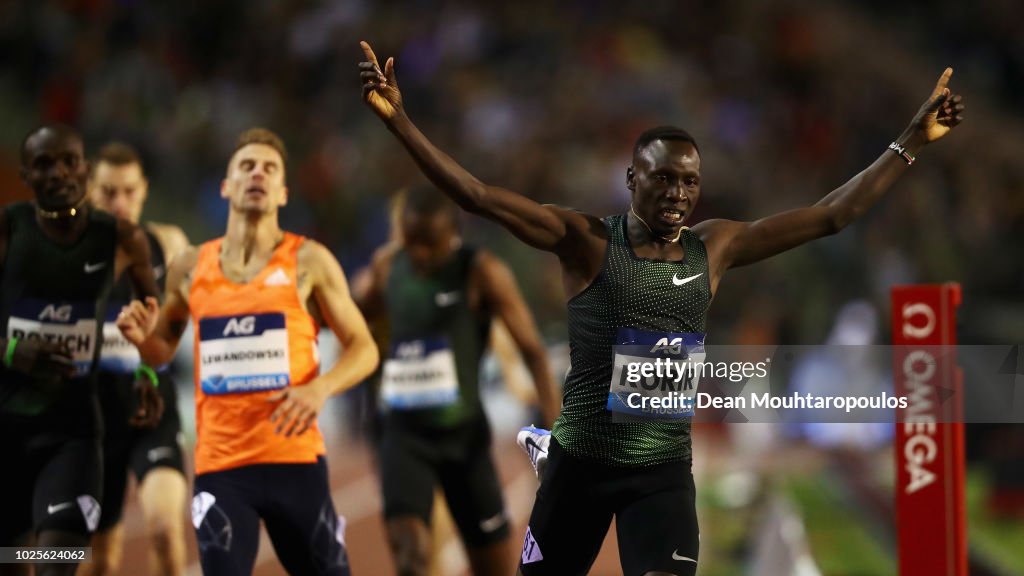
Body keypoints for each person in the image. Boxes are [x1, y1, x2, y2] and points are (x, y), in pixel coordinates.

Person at [358, 41, 964, 576]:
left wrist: (910, 141)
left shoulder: (716, 247)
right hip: (582, 467)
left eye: (689, 182)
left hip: (662, 470)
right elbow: (478, 196)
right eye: (663, 179)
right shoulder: (588, 241)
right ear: (631, 178)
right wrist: (400, 123)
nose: (677, 193)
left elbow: (832, 215)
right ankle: (549, 449)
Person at [117, 127, 379, 576]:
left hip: (295, 462)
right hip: (222, 466)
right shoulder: (189, 266)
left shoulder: (309, 261)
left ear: (282, 193)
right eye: (246, 166)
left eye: (269, 168)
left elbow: (365, 349)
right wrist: (142, 342)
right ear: (226, 186)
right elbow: (160, 350)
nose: (257, 173)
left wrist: (319, 389)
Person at [355, 185, 560, 576]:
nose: (418, 254)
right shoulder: (386, 267)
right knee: (410, 555)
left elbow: (532, 349)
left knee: (493, 565)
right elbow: (350, 319)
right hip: (403, 436)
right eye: (410, 241)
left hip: (463, 438)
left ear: (453, 234)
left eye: (429, 244)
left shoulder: (481, 271)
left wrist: (554, 427)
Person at [0, 125, 162, 576]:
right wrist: (13, 352)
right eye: (44, 164)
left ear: (85, 169)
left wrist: (148, 372)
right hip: (6, 430)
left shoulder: (123, 239)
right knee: (12, 561)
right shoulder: (8, 230)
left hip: (71, 436)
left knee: (59, 561)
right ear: (26, 175)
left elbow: (154, 325)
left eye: (68, 161)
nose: (58, 173)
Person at [80, 142, 190, 576]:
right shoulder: (71, 254)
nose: (120, 202)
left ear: (144, 190)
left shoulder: (170, 242)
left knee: (165, 529)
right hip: (90, 424)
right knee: (100, 558)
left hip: (152, 412)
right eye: (108, 191)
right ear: (90, 190)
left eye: (129, 190)